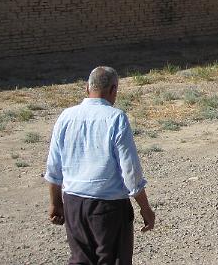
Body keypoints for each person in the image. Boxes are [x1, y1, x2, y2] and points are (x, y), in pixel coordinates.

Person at [44, 66, 156, 265]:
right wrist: (145, 208)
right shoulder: (115, 118)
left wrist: (56, 202)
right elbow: (130, 171)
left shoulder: (65, 117)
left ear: (87, 88)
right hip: (108, 206)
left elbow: (54, 167)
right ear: (113, 90)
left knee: (80, 260)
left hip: (74, 204)